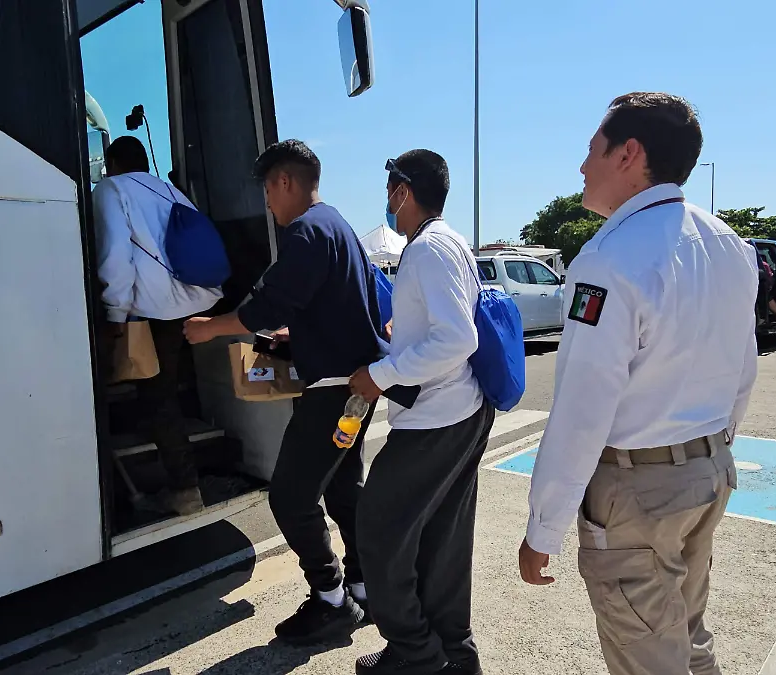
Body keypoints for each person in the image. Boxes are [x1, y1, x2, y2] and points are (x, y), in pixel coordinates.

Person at [517, 93, 758, 675]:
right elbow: (743, 369)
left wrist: (542, 526)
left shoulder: (608, 259)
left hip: (638, 491)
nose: (582, 167)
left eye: (591, 150)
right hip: (707, 471)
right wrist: (712, 449)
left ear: (629, 153)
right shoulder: (729, 244)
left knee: (648, 657)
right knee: (686, 635)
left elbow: (582, 406)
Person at [183, 139, 384, 644]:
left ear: (285, 182)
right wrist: (300, 335)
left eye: (268, 193)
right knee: (341, 489)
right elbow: (335, 304)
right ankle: (365, 587)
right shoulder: (338, 225)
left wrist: (211, 327)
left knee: (291, 498)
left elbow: (270, 304)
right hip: (353, 387)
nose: (268, 206)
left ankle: (332, 599)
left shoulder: (307, 232)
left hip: (331, 391)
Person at [349, 150, 495, 675]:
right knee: (443, 541)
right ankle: (454, 654)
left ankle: (414, 652)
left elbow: (456, 337)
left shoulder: (426, 249)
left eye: (391, 190)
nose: (388, 201)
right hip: (461, 410)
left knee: (379, 531)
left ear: (404, 192)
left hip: (435, 417)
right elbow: (441, 326)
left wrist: (378, 377)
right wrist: (400, 337)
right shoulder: (448, 241)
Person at [94, 136, 223, 516]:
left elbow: (115, 256)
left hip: (155, 310)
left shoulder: (111, 189)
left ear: (113, 163)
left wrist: (114, 315)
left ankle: (184, 489)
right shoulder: (169, 190)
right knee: (161, 388)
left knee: (157, 394)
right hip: (197, 300)